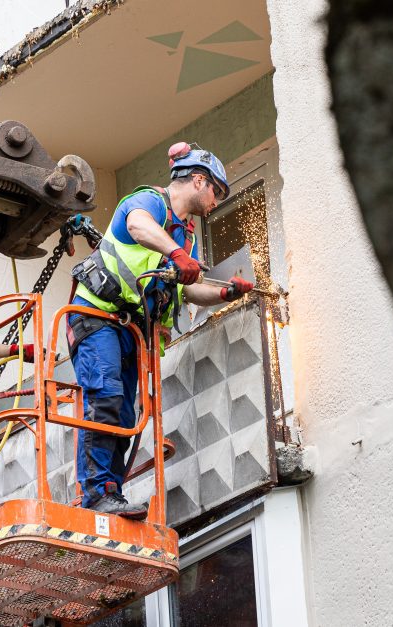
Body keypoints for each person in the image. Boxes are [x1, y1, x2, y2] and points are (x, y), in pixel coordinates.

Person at [67, 142, 254, 519]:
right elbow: (138, 227)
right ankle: (96, 494)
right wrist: (177, 255)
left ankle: (108, 492)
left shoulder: (185, 237)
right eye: (217, 192)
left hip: (130, 332)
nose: (216, 202)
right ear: (199, 181)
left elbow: (187, 289)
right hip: (96, 317)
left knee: (121, 413)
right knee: (105, 397)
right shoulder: (151, 202)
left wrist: (224, 292)